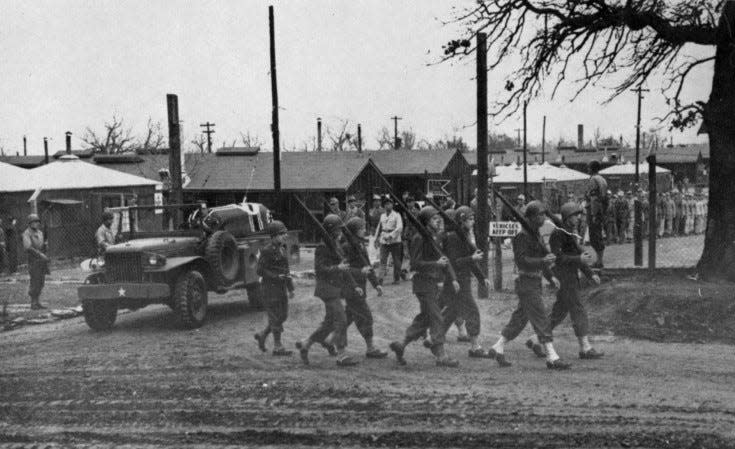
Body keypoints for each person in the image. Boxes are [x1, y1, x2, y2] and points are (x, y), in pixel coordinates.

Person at [489, 201, 571, 370]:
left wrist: (550, 276)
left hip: (533, 281)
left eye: (543, 214)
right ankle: (552, 356)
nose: (543, 217)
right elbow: (522, 260)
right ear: (532, 218)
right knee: (541, 317)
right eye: (539, 215)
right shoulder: (522, 236)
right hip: (526, 282)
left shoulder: (535, 235)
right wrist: (543, 261)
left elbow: (542, 259)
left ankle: (498, 346)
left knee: (520, 319)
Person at [389, 206, 460, 368]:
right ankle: (441, 355)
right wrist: (435, 264)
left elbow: (444, 259)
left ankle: (402, 343)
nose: (438, 221)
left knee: (426, 318)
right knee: (436, 317)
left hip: (432, 284)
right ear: (426, 222)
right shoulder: (419, 238)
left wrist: (453, 278)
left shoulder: (434, 237)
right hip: (423, 284)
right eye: (434, 219)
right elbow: (414, 264)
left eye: (438, 218)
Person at [296, 214, 361, 367]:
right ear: (331, 230)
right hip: (327, 289)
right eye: (338, 229)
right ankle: (342, 354)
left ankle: (306, 343)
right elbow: (319, 269)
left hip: (334, 288)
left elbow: (344, 268)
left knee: (329, 323)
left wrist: (355, 285)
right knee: (342, 319)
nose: (340, 232)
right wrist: (336, 268)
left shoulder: (335, 244)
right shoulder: (323, 247)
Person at [544, 202, 603, 360]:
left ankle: (536, 339)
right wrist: (579, 259)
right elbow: (558, 257)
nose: (578, 217)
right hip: (565, 278)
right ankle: (585, 347)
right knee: (578, 309)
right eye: (575, 215)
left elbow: (579, 257)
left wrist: (590, 274)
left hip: (570, 276)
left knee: (560, 311)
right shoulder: (558, 234)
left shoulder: (569, 232)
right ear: (568, 217)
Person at [439, 206, 494, 358]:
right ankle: (475, 347)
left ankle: (434, 338)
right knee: (472, 311)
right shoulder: (454, 237)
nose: (473, 221)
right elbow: (454, 262)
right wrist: (472, 259)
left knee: (452, 312)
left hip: (462, 280)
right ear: (462, 220)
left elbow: (471, 260)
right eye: (470, 219)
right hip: (457, 281)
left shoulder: (463, 234)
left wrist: (482, 277)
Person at [340, 216, 388, 359]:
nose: (364, 230)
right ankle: (371, 348)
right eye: (361, 228)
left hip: (359, 287)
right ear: (354, 230)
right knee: (366, 317)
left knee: (346, 318)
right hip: (352, 288)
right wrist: (360, 272)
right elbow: (344, 269)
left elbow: (367, 264)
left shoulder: (359, 244)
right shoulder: (347, 247)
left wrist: (376, 284)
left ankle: (328, 340)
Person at [254, 220, 296, 356]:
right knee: (274, 317)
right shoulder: (266, 251)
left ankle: (263, 334)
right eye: (281, 233)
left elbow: (286, 270)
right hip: (269, 289)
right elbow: (259, 270)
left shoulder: (283, 249)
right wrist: (275, 276)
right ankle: (278, 346)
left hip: (281, 289)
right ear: (273, 236)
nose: (285, 236)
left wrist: (291, 288)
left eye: (285, 233)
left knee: (283, 315)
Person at [373, 197, 403, 285]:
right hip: (384, 239)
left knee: (396, 260)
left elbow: (399, 228)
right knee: (382, 260)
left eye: (389, 204)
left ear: (392, 205)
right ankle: (380, 279)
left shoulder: (397, 215)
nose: (387, 206)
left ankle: (396, 278)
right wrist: (376, 239)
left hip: (395, 240)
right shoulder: (382, 216)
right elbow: (379, 228)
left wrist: (390, 235)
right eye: (385, 204)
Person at [22, 214, 49, 310]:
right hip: (33, 259)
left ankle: (37, 301)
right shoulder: (27, 233)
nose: (37, 223)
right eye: (35, 222)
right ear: (30, 223)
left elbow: (42, 244)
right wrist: (40, 254)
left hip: (41, 260)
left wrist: (45, 246)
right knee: (35, 281)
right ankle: (33, 302)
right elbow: (28, 247)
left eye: (38, 221)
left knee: (41, 281)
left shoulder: (40, 233)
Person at [585, 161, 608, 268]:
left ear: (592, 169)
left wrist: (594, 214)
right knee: (597, 234)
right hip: (601, 210)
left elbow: (594, 199)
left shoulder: (593, 180)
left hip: (594, 211)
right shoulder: (602, 179)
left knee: (594, 236)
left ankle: (599, 261)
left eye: (588, 167)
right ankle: (599, 260)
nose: (587, 169)